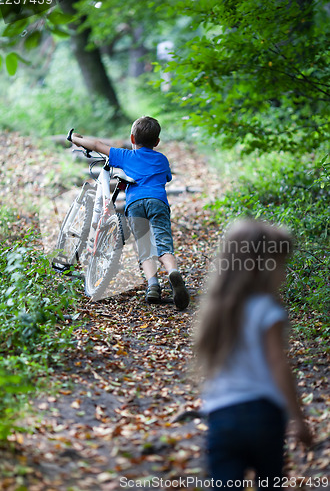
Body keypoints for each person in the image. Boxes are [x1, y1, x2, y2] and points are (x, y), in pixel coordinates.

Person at [195, 219, 312, 489]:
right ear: (262, 267)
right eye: (281, 264)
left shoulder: (216, 310)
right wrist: (298, 418)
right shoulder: (266, 310)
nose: (283, 273)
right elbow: (277, 364)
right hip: (263, 415)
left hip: (221, 416)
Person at [70, 116, 190, 310]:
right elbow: (166, 178)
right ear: (157, 142)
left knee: (144, 246)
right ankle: (173, 272)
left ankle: (153, 286)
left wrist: (76, 139)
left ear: (132, 139)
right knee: (163, 243)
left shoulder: (126, 156)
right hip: (158, 202)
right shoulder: (161, 159)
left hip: (135, 205)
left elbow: (97, 145)